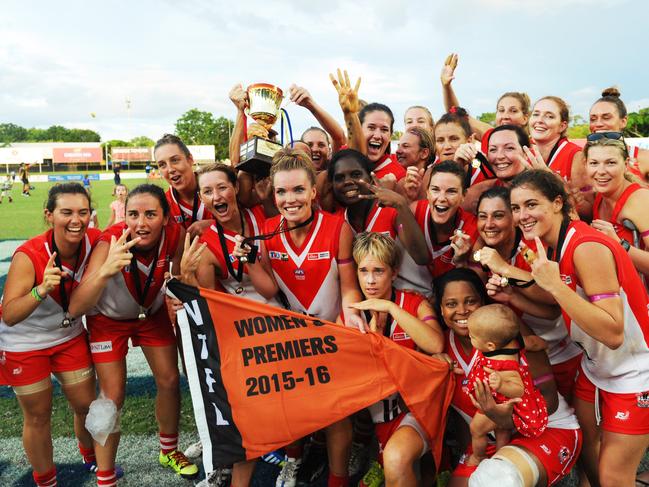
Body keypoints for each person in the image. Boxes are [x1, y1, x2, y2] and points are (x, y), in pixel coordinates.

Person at [510, 169, 649, 487]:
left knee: (615, 476)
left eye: (531, 204)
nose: (522, 215)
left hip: (635, 373)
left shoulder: (586, 247)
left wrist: (556, 288)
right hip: (595, 367)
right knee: (588, 450)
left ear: (557, 203)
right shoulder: (554, 244)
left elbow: (613, 333)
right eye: (516, 208)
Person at [234, 147, 363, 487]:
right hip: (292, 339)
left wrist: (349, 321)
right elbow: (266, 289)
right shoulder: (266, 229)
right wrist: (249, 261)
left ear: (313, 192)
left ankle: (337, 479)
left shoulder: (338, 228)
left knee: (337, 415)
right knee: (291, 405)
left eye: (297, 190)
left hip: (333, 332)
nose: (289, 199)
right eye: (281, 191)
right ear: (273, 194)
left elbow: (349, 289)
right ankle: (293, 461)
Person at [69, 184, 198, 486]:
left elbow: (177, 275)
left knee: (169, 379)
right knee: (111, 397)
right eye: (134, 214)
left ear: (166, 218)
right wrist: (104, 271)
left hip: (150, 315)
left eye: (151, 214)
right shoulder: (110, 240)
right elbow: (77, 305)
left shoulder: (175, 236)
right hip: (108, 319)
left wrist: (179, 287)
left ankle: (169, 450)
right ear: (123, 215)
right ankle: (105, 475)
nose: (141, 223)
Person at [179, 162, 281, 487]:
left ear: (236, 188)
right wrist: (186, 276)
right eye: (206, 191)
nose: (216, 195)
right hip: (242, 326)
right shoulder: (205, 244)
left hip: (282, 311)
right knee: (242, 406)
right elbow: (212, 307)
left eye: (221, 187)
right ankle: (227, 461)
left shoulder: (260, 215)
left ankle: (292, 454)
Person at [434, 269, 582, 487]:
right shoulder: (440, 346)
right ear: (441, 309)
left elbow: (548, 404)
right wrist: (476, 453)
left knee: (496, 481)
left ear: (484, 303)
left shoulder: (509, 335)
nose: (462, 311)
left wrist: (499, 415)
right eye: (451, 304)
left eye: (470, 301)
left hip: (544, 426)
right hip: (491, 439)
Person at [0, 183, 102, 487]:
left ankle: (90, 457)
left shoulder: (95, 240)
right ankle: (45, 481)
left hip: (67, 336)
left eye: (83, 212)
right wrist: (41, 289)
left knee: (86, 404)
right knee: (38, 415)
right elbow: (10, 314)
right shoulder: (29, 254)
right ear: (49, 215)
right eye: (66, 212)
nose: (76, 220)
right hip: (23, 343)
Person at [345, 232, 443, 487]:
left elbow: (435, 343)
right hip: (379, 418)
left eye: (378, 271)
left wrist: (390, 308)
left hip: (417, 409)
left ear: (394, 273)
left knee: (397, 460)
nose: (370, 280)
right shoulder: (352, 314)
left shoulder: (414, 303)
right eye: (363, 271)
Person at [471, 187, 582, 401]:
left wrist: (504, 268)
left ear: (514, 218)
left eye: (499, 215)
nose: (489, 224)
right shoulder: (483, 251)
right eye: (482, 216)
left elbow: (554, 302)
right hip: (531, 355)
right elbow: (547, 312)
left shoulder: (533, 247)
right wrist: (511, 296)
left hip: (567, 350)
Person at [465, 304, 548, 466]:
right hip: (495, 400)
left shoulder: (505, 364)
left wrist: (502, 384)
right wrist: (544, 344)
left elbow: (519, 389)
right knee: (502, 431)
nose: (469, 337)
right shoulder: (513, 342)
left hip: (497, 404)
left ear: (490, 346)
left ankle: (478, 457)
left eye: (472, 336)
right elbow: (531, 342)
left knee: (476, 429)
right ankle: (500, 457)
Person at [587, 132, 649, 278]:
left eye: (611, 163)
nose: (601, 171)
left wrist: (619, 244)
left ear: (626, 164)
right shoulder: (599, 197)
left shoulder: (641, 200)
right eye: (594, 163)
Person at [440, 53, 531, 152]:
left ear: (525, 118)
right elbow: (456, 114)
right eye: (501, 110)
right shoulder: (490, 136)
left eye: (513, 111)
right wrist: (446, 86)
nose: (505, 116)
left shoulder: (536, 144)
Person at [154, 134, 214, 238]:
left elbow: (241, 219)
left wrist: (212, 225)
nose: (170, 169)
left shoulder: (216, 187)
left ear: (190, 159)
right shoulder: (162, 204)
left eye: (175, 160)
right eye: (162, 165)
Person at [589, 87, 649, 180]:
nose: (598, 124)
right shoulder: (583, 160)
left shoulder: (643, 158)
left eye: (606, 117)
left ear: (623, 122)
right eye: (593, 119)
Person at [289, 83, 347, 171]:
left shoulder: (333, 172)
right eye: (309, 145)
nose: (315, 149)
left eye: (321, 145)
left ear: (329, 151)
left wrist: (310, 104)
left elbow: (339, 137)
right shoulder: (289, 175)